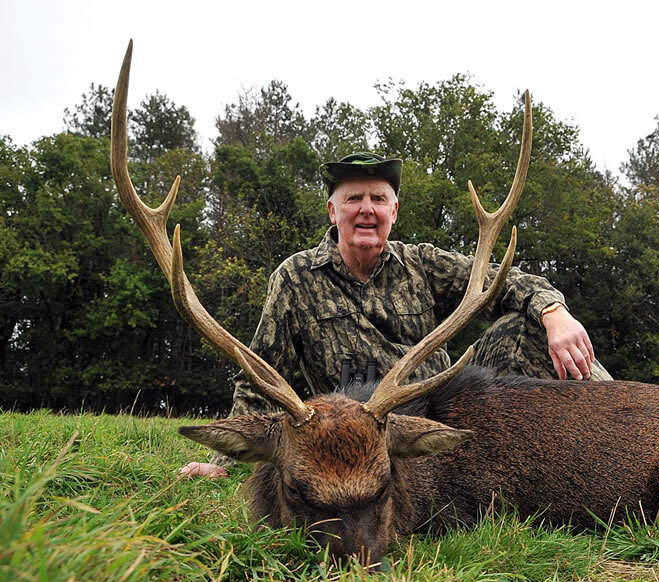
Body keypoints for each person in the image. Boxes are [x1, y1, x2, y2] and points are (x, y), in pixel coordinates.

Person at [181, 152, 612, 478]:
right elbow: (262, 377)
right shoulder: (294, 278)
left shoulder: (422, 263)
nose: (366, 208)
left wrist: (555, 313)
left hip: (448, 411)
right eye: (353, 198)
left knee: (529, 326)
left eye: (378, 199)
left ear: (393, 212)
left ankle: (621, 426)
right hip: (361, 436)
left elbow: (504, 280)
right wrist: (222, 463)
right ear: (333, 212)